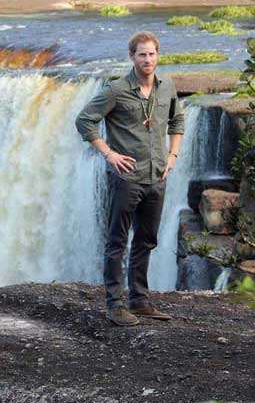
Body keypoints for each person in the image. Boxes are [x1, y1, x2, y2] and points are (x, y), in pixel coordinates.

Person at [75, 31, 185, 326]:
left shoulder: (167, 88)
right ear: (131, 57)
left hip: (157, 176)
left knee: (147, 240)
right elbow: (84, 120)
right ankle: (115, 304)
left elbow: (177, 121)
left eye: (151, 54)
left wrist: (172, 156)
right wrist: (108, 154)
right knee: (117, 241)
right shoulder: (116, 90)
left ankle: (140, 300)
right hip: (126, 178)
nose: (147, 59)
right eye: (141, 54)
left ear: (158, 55)